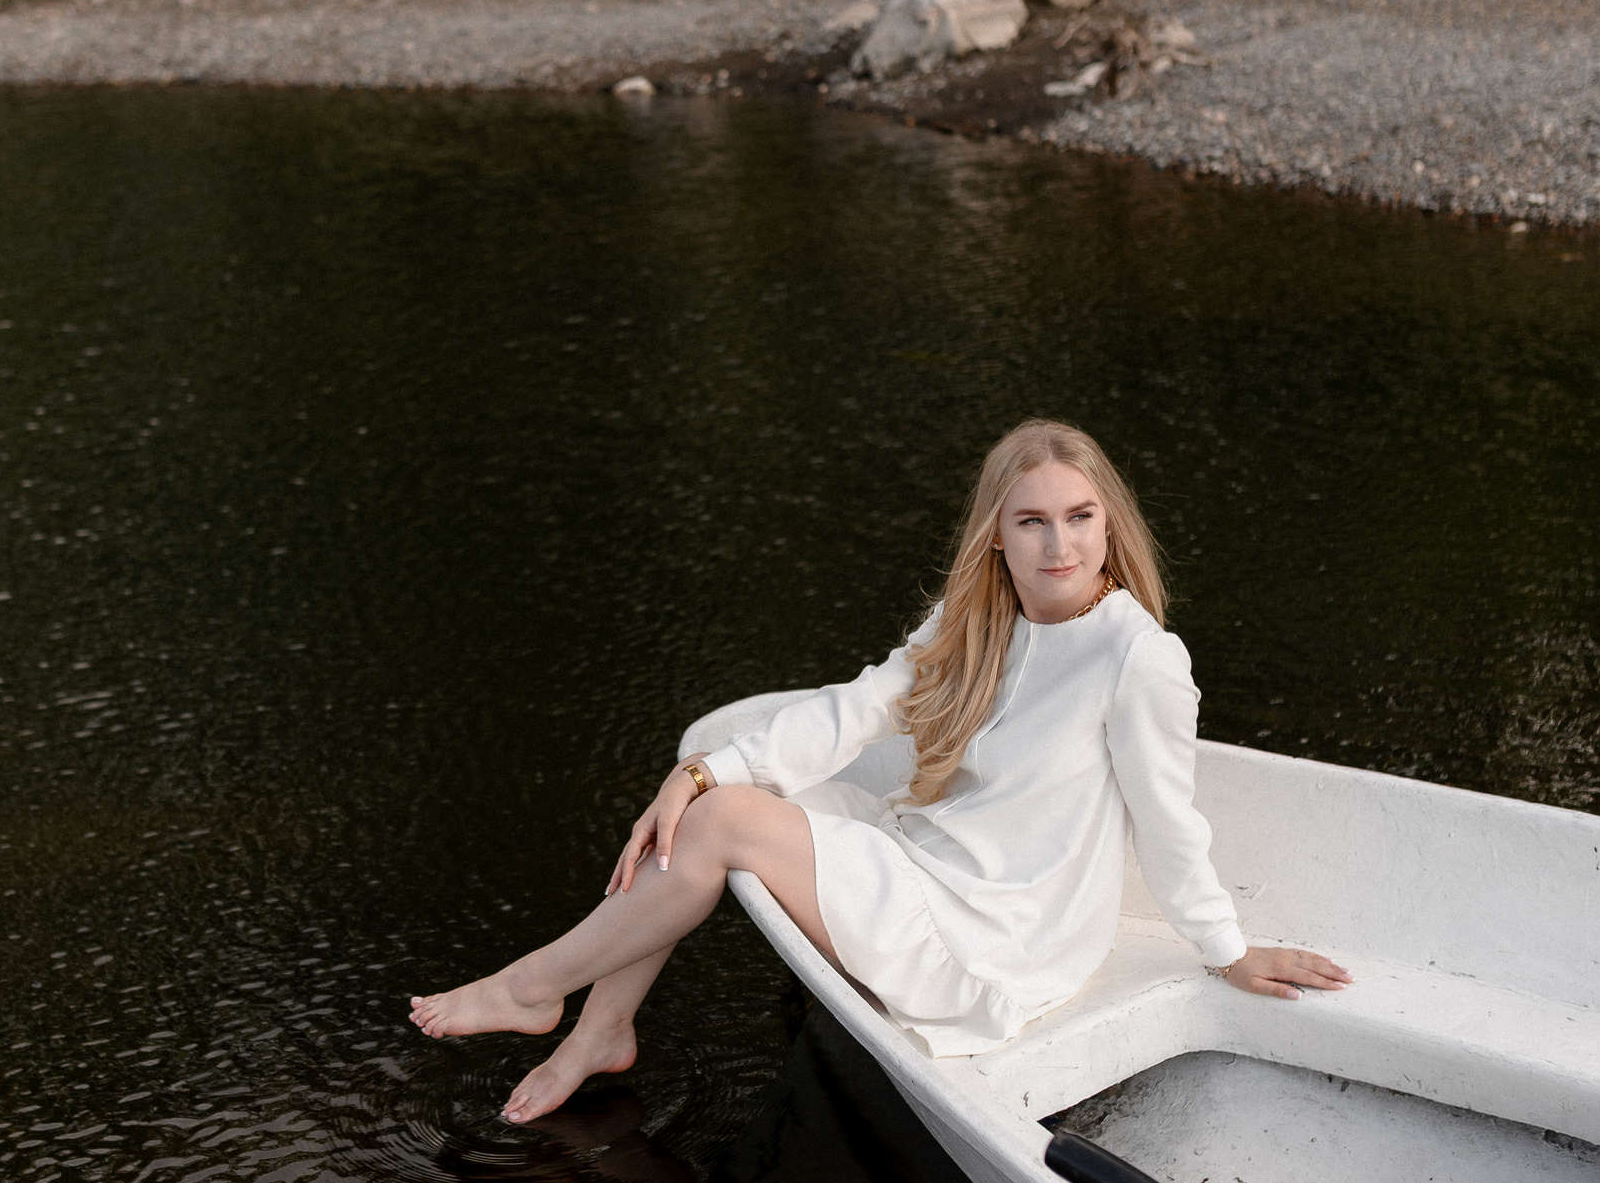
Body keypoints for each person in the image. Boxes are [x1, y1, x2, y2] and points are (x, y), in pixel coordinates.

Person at [409, 419, 1351, 1125]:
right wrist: (700, 771)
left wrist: (1225, 949)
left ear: (1110, 525)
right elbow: (860, 706)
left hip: (1000, 930)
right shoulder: (977, 615)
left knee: (724, 818)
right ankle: (598, 1031)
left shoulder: (1137, 656)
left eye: (1079, 518)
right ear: (996, 534)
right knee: (710, 801)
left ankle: (536, 987)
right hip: (927, 852)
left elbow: (1168, 815)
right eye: (1032, 522)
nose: (1060, 547)